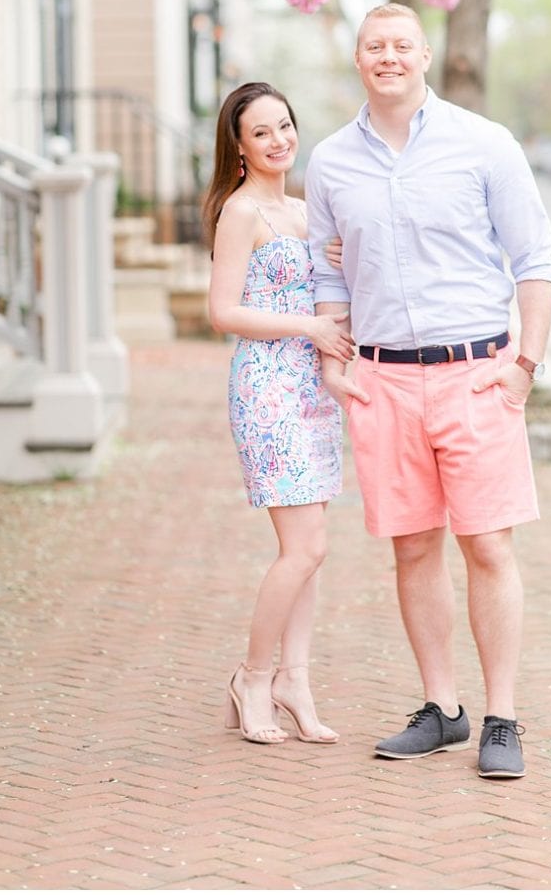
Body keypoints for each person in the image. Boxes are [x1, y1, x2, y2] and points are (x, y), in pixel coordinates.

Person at [305, 3, 551, 781]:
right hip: (384, 379)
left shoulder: (485, 144)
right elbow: (325, 269)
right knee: (413, 546)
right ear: (358, 58)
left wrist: (524, 367)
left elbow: (535, 260)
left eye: (401, 45)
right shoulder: (329, 162)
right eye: (374, 45)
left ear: (423, 55)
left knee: (487, 543)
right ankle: (442, 707)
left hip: (476, 375)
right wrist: (334, 357)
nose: (389, 57)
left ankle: (502, 716)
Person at [203, 82, 354, 746]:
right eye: (261, 131)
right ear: (238, 145)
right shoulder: (241, 213)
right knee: (305, 547)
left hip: (314, 389)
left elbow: (330, 292)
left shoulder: (302, 210)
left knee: (310, 551)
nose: (278, 139)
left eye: (284, 125)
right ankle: (253, 676)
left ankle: (295, 678)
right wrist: (308, 328)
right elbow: (223, 311)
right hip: (267, 387)